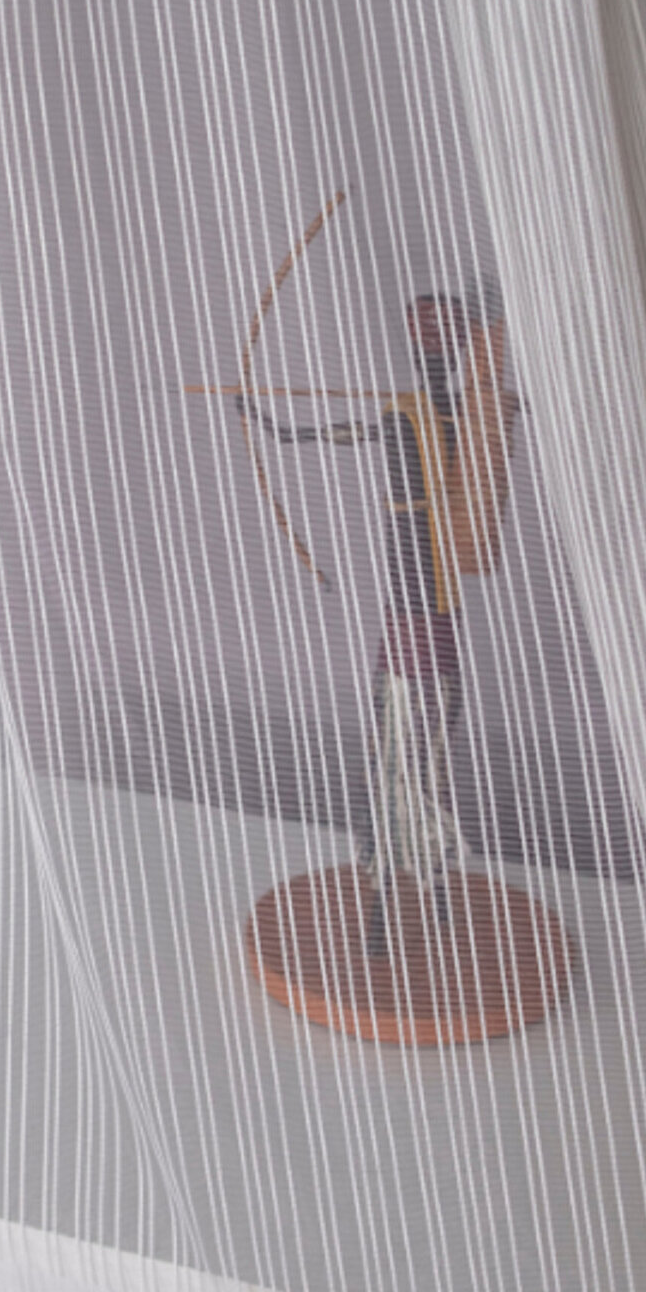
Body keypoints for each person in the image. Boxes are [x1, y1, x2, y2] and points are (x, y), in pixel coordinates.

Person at [240, 279, 518, 956]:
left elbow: (374, 436)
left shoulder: (463, 412)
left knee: (418, 737)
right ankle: (398, 897)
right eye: (422, 331)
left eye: (442, 334)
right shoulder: (413, 411)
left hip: (430, 588)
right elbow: (350, 432)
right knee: (399, 738)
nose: (429, 344)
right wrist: (276, 427)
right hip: (411, 584)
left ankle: (416, 888)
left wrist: (279, 427)